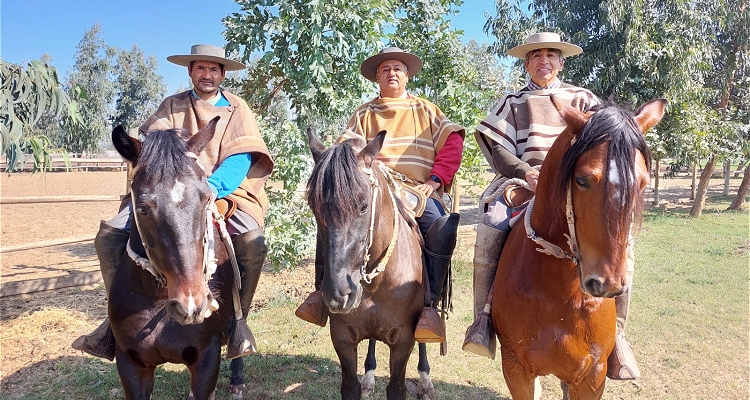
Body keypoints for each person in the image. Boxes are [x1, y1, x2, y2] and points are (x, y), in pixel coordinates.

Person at [72, 44, 274, 361]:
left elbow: (241, 157)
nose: (207, 74)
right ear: (190, 71)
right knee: (109, 237)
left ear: (222, 74)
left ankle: (237, 323)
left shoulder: (237, 109)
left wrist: (208, 187)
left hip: (220, 191)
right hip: (167, 192)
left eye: (214, 69)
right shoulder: (172, 105)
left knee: (253, 242)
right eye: (201, 68)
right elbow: (149, 149)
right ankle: (113, 323)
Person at [462, 32, 641, 380]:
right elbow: (496, 147)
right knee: (492, 223)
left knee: (623, 240)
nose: (544, 60)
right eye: (536, 55)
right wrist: (525, 171)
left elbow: (608, 144)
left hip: (579, 188)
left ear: (561, 62)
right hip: (524, 184)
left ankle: (616, 332)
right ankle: (483, 318)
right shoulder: (512, 102)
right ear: (526, 63)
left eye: (551, 55)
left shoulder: (582, 98)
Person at [294, 47, 465, 343]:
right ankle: (321, 293)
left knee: (439, 225)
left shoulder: (427, 110)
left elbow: (452, 142)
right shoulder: (364, 112)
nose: (392, 73)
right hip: (373, 184)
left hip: (415, 188)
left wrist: (436, 180)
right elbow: (344, 155)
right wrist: (363, 168)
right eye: (385, 69)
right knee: (335, 216)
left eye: (398, 68)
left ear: (407, 75)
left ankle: (430, 307)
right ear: (377, 77)